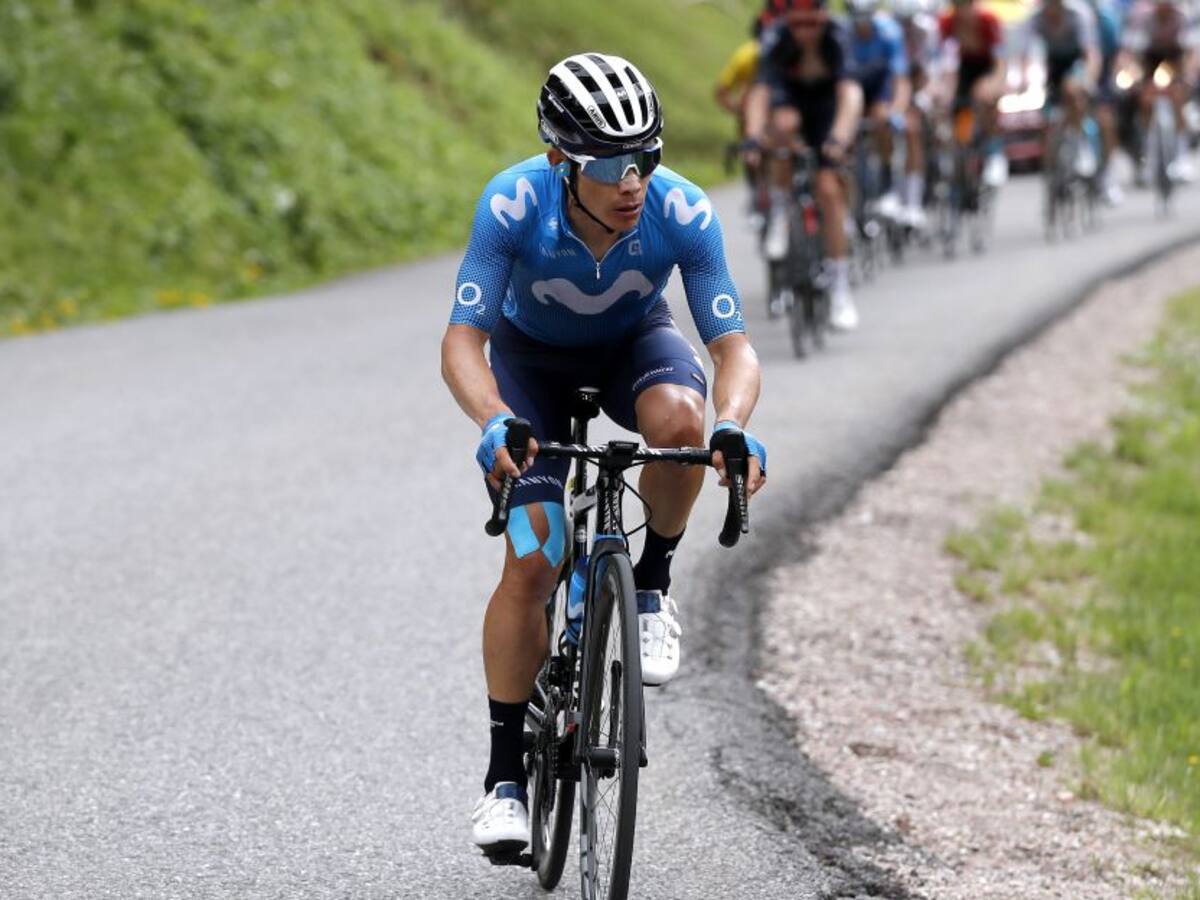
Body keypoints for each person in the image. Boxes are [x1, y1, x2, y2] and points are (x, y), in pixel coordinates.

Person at [442, 52, 768, 857]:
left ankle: (651, 584)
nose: (634, 183)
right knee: (534, 558)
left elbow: (734, 347)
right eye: (613, 165)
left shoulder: (681, 211)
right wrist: (491, 418)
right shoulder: (514, 202)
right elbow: (463, 339)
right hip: (533, 367)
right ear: (561, 160)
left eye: (647, 158)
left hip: (633, 347)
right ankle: (505, 779)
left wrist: (732, 423)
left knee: (684, 422)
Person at [744, 0, 865, 330]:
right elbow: (760, 92)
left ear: (824, 18)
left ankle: (840, 289)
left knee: (828, 189)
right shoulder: (776, 37)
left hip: (827, 110)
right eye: (797, 24)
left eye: (812, 23)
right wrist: (753, 137)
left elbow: (851, 93)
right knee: (782, 128)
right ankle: (782, 209)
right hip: (792, 104)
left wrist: (839, 138)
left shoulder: (838, 35)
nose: (804, 32)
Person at [1015, 0, 1103, 177]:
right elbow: (1025, 53)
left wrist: (1088, 80)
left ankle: (1081, 145)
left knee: (1072, 91)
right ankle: (1051, 167)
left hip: (1077, 62)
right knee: (1046, 116)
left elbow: (1091, 53)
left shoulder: (1078, 15)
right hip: (1054, 64)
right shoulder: (1035, 18)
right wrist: (1023, 80)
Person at [845, 0, 912, 221]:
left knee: (881, 119)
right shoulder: (843, 35)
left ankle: (887, 184)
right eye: (856, 15)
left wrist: (897, 111)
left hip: (881, 85)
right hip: (854, 87)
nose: (861, 22)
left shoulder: (889, 33)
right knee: (845, 133)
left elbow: (900, 79)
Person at [1122, 0, 1197, 181]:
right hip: (1151, 61)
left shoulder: (1182, 17)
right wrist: (1132, 75)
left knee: (1178, 97)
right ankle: (1149, 153)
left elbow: (1192, 52)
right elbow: (1132, 53)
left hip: (1175, 60)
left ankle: (1181, 154)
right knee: (1145, 99)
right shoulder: (1143, 18)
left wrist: (1188, 75)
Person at [939, 0, 1011, 187]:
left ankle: (994, 152)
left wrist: (995, 84)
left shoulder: (988, 20)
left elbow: (1000, 61)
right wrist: (944, 90)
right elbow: (945, 60)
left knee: (984, 96)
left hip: (987, 66)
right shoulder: (947, 23)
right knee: (951, 104)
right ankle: (957, 153)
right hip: (964, 68)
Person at [893, 0, 944, 227]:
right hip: (898, 82)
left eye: (909, 22)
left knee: (919, 127)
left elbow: (935, 68)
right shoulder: (891, 33)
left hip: (922, 79)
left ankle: (915, 200)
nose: (906, 28)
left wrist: (926, 96)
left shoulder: (928, 31)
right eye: (902, 22)